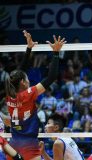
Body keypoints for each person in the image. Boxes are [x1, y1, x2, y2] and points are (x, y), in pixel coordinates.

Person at [5, 30, 65, 160]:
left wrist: (29, 49)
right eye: (26, 78)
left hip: (13, 146)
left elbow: (18, 73)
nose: (28, 80)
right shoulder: (29, 94)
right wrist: (56, 53)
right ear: (22, 82)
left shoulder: (8, 94)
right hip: (29, 146)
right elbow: (52, 77)